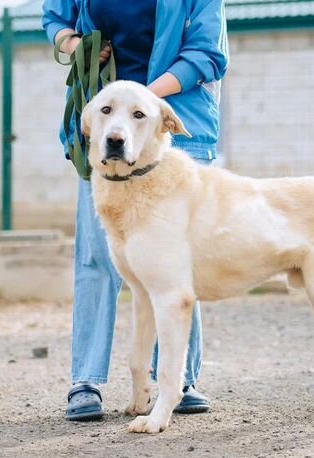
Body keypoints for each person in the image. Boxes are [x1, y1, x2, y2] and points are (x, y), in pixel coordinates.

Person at [43, 0, 228, 421]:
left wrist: (142, 102)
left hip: (173, 123)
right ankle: (86, 381)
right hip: (105, 126)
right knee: (96, 258)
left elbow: (207, 54)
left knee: (177, 262)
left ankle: (178, 381)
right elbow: (54, 15)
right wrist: (71, 42)